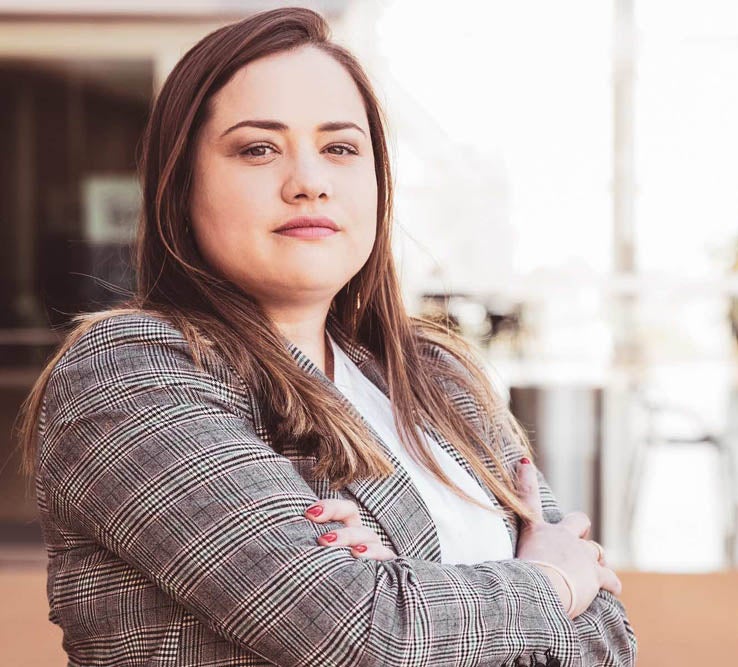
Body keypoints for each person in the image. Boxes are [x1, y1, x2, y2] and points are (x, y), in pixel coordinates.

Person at [16, 8, 635, 666]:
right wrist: (550, 581)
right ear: (180, 185)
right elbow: (360, 631)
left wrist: (409, 590)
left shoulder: (436, 378)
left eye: (340, 148)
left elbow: (608, 636)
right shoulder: (129, 373)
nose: (309, 182)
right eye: (258, 149)